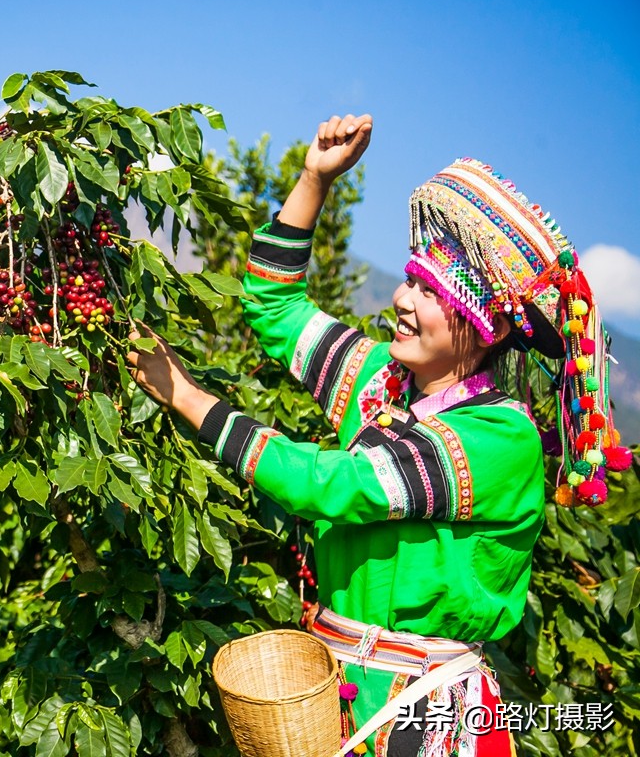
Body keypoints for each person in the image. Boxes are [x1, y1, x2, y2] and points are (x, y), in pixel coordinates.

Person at [128, 114, 621, 756]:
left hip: (425, 713)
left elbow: (335, 485)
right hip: (330, 693)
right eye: (409, 279)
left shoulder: (500, 436)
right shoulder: (380, 383)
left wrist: (190, 399)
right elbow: (273, 306)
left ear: (483, 324)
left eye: (430, 291)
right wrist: (314, 179)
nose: (402, 299)